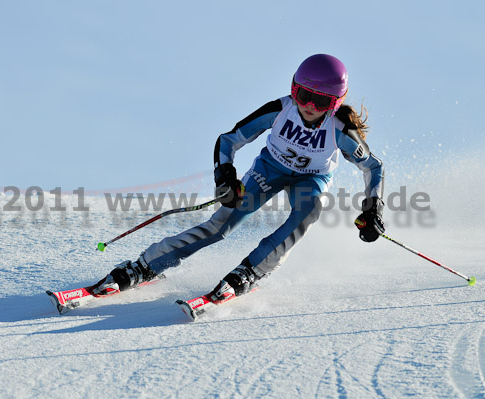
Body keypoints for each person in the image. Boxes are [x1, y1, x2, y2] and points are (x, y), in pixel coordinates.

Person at [91, 54, 385, 303]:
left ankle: (252, 270)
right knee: (220, 226)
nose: (308, 105)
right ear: (293, 88)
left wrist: (373, 209)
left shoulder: (341, 132)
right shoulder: (280, 110)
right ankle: (145, 266)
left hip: (311, 180)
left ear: (335, 102)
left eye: (319, 100)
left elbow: (373, 167)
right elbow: (229, 140)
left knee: (308, 212)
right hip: (270, 169)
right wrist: (226, 177)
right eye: (302, 94)